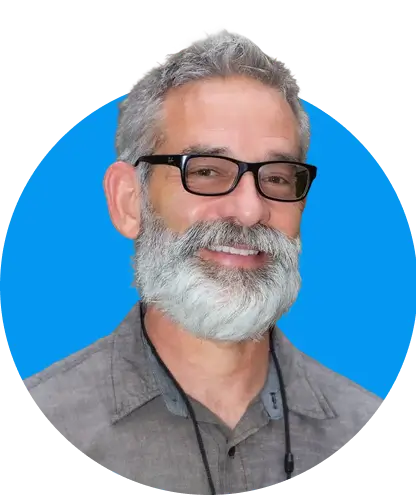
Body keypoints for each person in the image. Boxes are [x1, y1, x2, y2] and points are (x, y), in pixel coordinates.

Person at [23, 26, 384, 492]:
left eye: (276, 177)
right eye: (207, 171)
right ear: (130, 201)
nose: (250, 210)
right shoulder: (53, 417)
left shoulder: (360, 421)